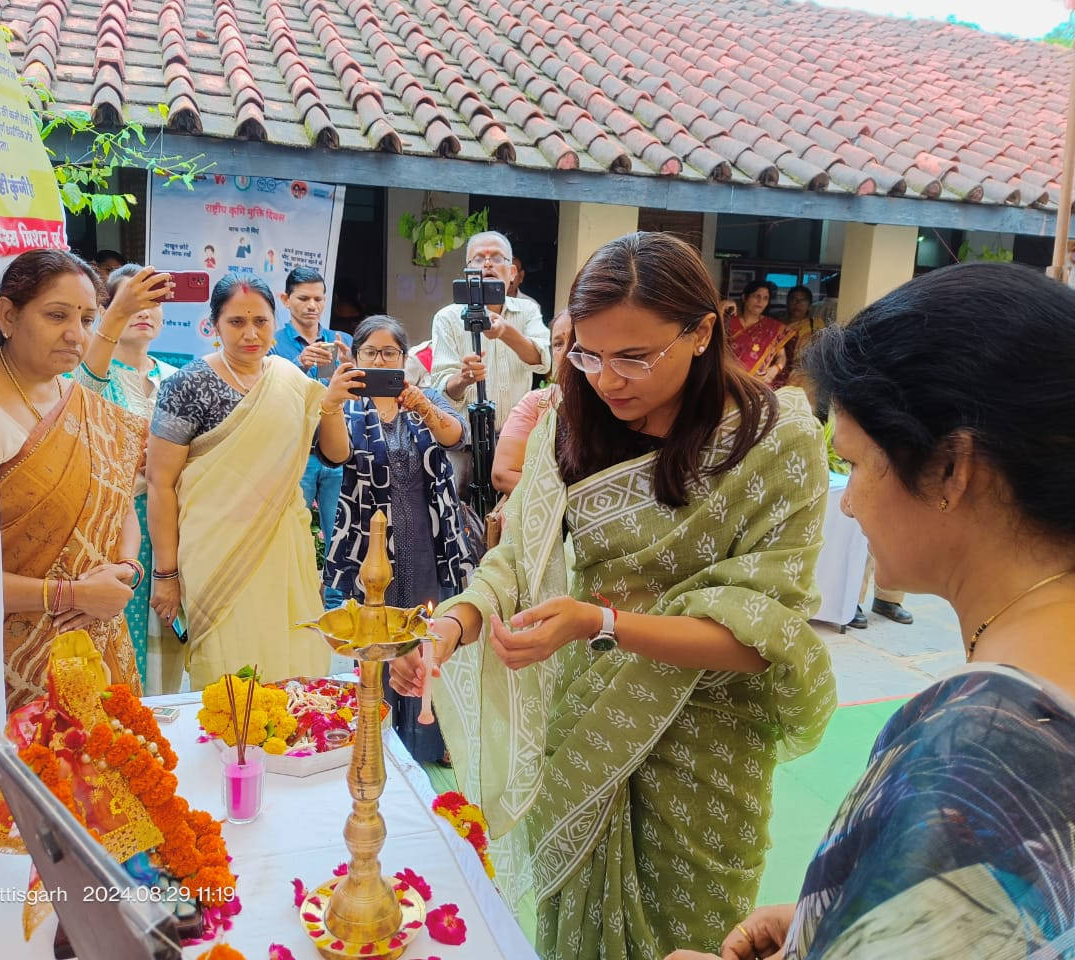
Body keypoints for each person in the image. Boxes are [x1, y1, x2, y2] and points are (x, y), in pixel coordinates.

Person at [394, 233, 836, 959]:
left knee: (690, 936)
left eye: (634, 356)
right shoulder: (569, 417)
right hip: (590, 717)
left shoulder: (776, 435)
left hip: (707, 743)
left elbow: (766, 630)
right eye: (587, 353)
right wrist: (454, 623)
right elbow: (517, 557)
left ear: (702, 331)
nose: (607, 378)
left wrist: (600, 621)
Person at [665, 261, 1075, 960]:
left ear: (950, 467)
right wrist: (842, 914)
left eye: (854, 463)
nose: (848, 503)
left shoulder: (976, 755)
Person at [145, 274, 358, 688]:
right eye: (236, 322)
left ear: (273, 322)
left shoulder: (290, 379)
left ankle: (285, 749)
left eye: (260, 321)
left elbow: (336, 453)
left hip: (282, 548)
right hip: (214, 550)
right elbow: (160, 483)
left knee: (291, 663)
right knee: (229, 667)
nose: (250, 334)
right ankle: (232, 749)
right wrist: (166, 575)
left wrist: (330, 404)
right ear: (214, 324)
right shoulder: (187, 384)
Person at [0, 250, 146, 711]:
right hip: (7, 664)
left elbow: (120, 509)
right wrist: (73, 595)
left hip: (100, 649)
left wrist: (126, 570)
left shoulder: (86, 401)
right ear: (8, 315)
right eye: (57, 315)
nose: (75, 334)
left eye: (86, 318)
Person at [319, 315, 474, 762]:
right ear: (356, 356)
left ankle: (429, 739)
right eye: (371, 353)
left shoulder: (420, 403)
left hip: (427, 540)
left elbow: (456, 436)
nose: (381, 360)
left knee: (426, 635)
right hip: (372, 547)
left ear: (404, 359)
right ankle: (379, 740)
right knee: (378, 637)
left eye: (390, 354)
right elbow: (336, 454)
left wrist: (421, 404)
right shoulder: (347, 407)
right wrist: (330, 403)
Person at [72, 262, 182, 693]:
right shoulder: (90, 371)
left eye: (154, 302)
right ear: (108, 309)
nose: (145, 311)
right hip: (114, 523)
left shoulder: (174, 378)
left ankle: (161, 714)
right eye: (133, 301)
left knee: (168, 637)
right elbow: (83, 408)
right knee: (122, 630)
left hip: (171, 520)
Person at [430, 231, 550, 423]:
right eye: (478, 259)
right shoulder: (447, 318)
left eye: (496, 257)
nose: (487, 263)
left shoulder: (528, 310)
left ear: (512, 272)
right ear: (467, 273)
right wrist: (463, 378)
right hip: (464, 443)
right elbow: (440, 387)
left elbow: (543, 360)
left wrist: (506, 332)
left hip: (515, 440)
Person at [269, 267, 352, 542]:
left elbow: (360, 398)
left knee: (341, 535)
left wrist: (352, 365)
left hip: (337, 451)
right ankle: (295, 587)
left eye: (318, 298)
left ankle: (335, 588)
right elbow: (267, 395)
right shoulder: (272, 345)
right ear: (285, 299)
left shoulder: (342, 342)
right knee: (291, 532)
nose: (312, 306)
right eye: (303, 298)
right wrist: (299, 364)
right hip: (295, 453)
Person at [491, 310, 572, 495]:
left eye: (576, 340)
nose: (567, 351)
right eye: (558, 344)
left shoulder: (616, 401)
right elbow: (502, 475)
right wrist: (572, 500)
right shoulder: (536, 403)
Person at [728, 279, 795, 386]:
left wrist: (776, 368)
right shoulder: (728, 323)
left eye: (765, 298)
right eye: (756, 296)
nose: (760, 301)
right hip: (727, 381)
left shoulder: (773, 328)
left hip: (757, 385)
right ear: (744, 297)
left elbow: (782, 356)